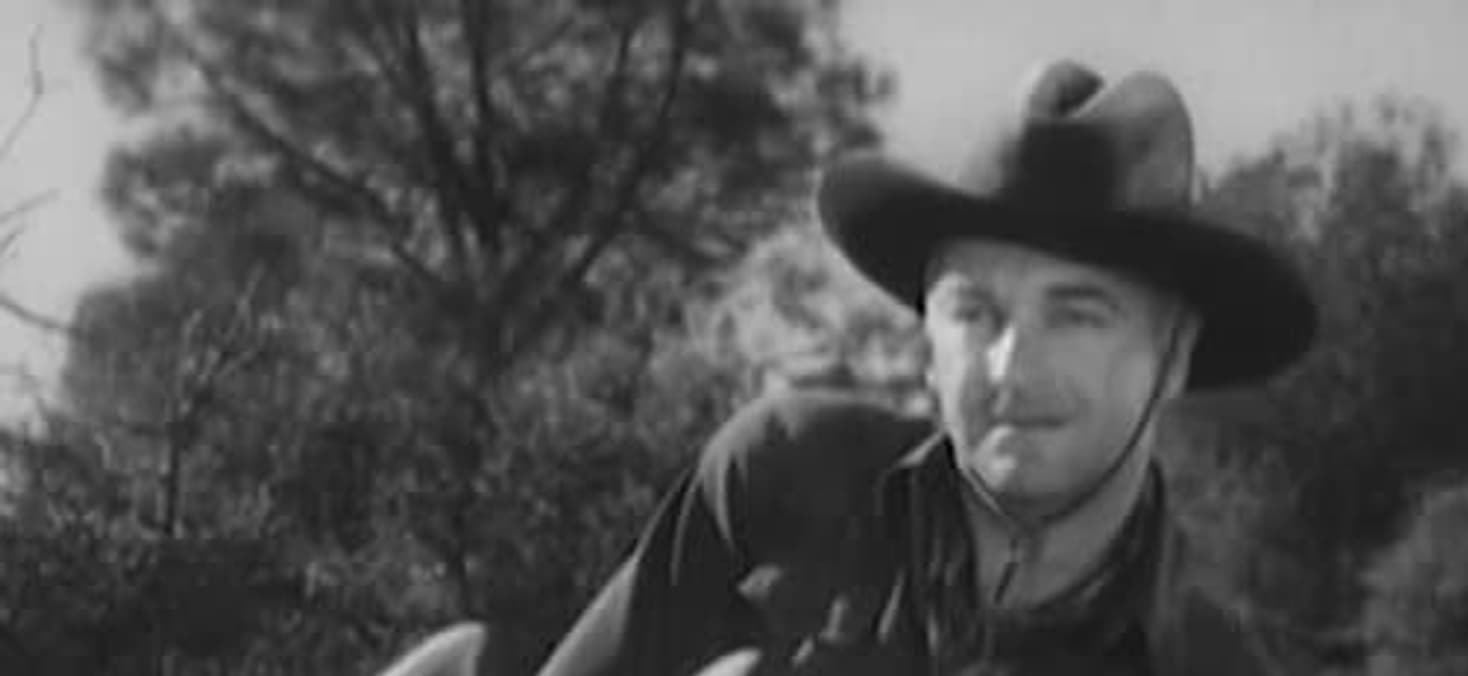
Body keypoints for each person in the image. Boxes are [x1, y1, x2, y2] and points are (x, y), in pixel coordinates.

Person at [388, 58, 1318, 675]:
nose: (1012, 365)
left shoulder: (1209, 665)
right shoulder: (781, 479)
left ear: (1174, 353)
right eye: (974, 311)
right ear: (927, 340)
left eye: (1077, 315)